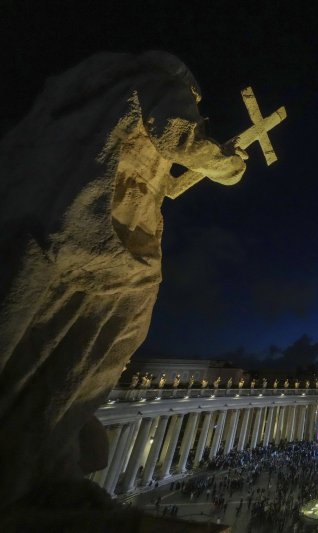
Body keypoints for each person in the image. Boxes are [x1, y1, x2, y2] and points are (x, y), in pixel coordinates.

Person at [0, 51, 246, 509]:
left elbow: (167, 179)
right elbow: (182, 137)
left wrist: (193, 171)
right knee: (121, 327)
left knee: (48, 330)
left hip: (66, 229)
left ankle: (40, 443)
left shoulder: (89, 97)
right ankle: (48, 443)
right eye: (195, 100)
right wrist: (228, 165)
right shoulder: (155, 83)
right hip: (107, 241)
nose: (194, 105)